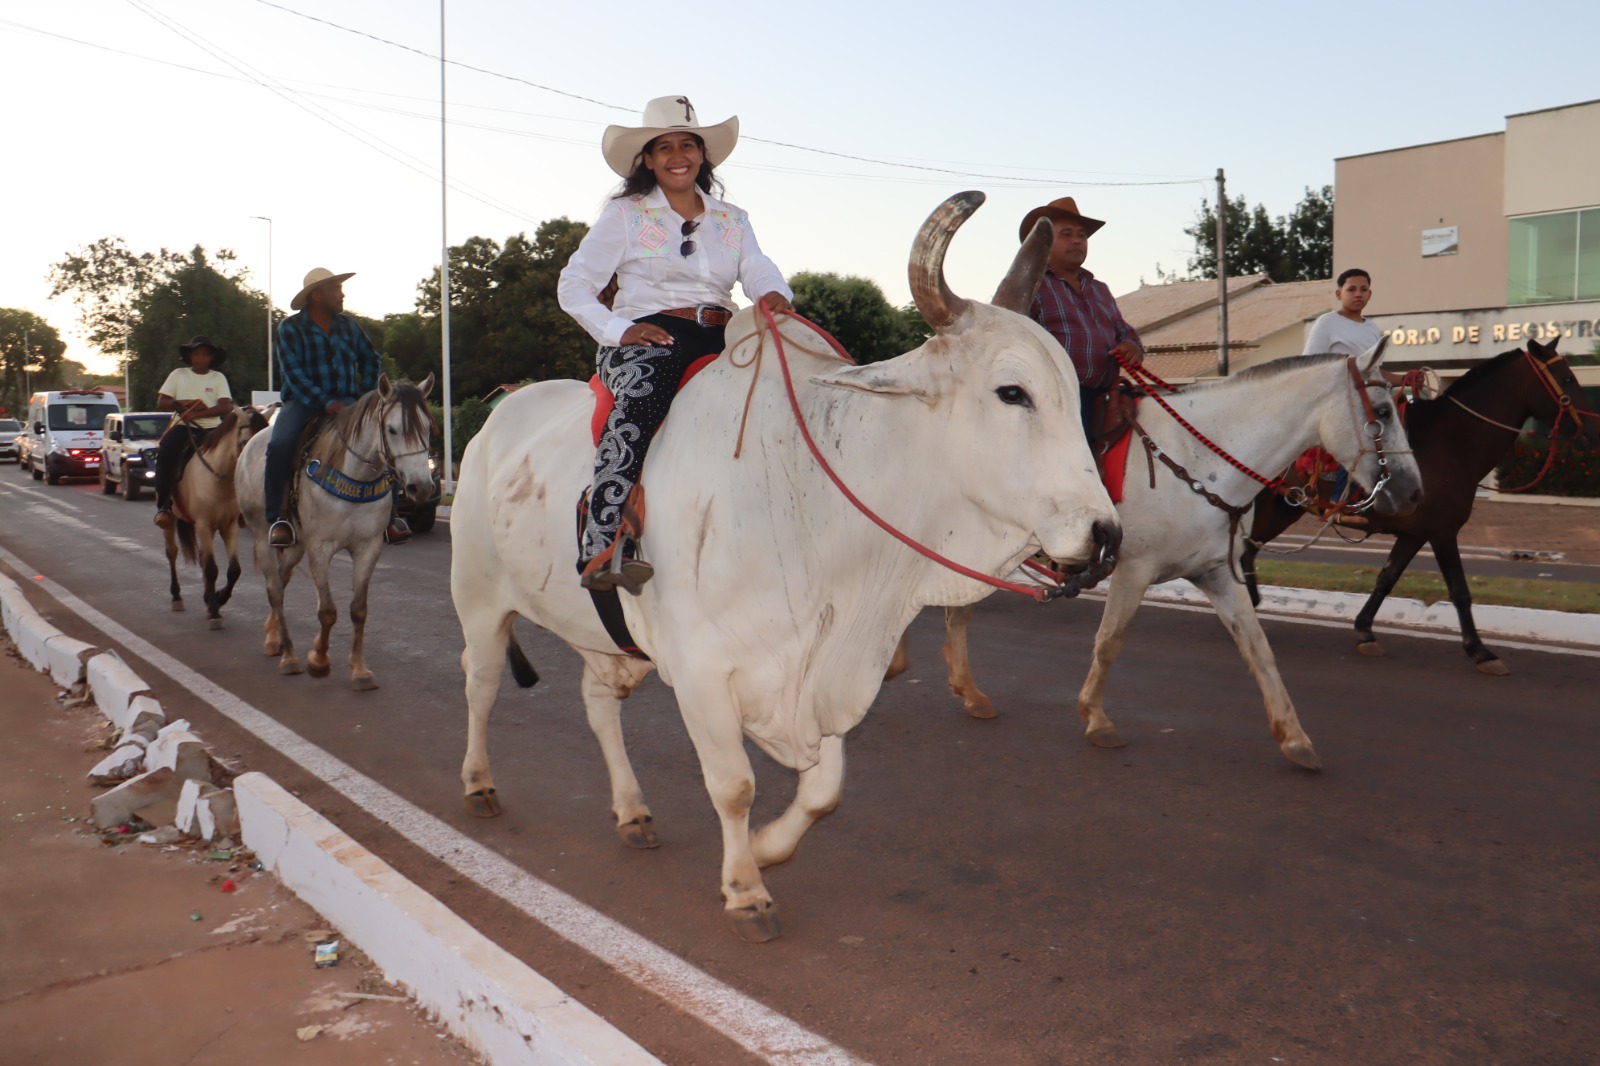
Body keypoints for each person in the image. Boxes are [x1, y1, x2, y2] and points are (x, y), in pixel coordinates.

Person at [558, 95, 793, 593]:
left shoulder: (733, 219)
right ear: (647, 159)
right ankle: (603, 536)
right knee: (646, 392)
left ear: (702, 154)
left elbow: (755, 266)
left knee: (791, 387)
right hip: (647, 335)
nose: (677, 155)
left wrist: (773, 293)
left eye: (688, 145)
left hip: (721, 334)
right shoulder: (625, 215)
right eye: (664, 147)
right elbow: (573, 286)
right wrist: (620, 330)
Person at [264, 267, 409, 549]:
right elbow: (294, 375)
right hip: (303, 401)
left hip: (347, 400)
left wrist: (365, 396)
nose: (342, 294)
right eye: (335, 289)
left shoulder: (349, 326)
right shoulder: (290, 328)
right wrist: (326, 402)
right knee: (279, 445)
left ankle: (390, 518)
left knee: (380, 438)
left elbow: (371, 358)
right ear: (316, 295)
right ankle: (277, 518)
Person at [1019, 197, 1145, 439]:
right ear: (1043, 243)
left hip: (1108, 392)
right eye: (1066, 234)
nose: (1077, 240)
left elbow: (1123, 330)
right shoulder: (1031, 286)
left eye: (1082, 236)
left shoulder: (1100, 289)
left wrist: (1131, 346)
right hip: (1058, 397)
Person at [153, 335, 234, 529]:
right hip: (183, 426)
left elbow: (226, 406)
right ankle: (164, 506)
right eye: (196, 354)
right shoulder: (178, 374)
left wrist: (198, 414)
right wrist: (182, 404)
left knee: (236, 455)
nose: (201, 358)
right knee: (166, 453)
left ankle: (240, 506)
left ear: (211, 357)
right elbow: (162, 401)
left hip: (212, 428)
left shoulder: (218, 377)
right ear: (189, 356)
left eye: (205, 354)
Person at [1304, 268, 1382, 357]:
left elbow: (1376, 365)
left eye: (1363, 289)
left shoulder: (1373, 328)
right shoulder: (1327, 323)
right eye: (1351, 289)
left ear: (1369, 294)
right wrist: (1349, 363)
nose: (1358, 294)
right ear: (1339, 294)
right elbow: (1309, 361)